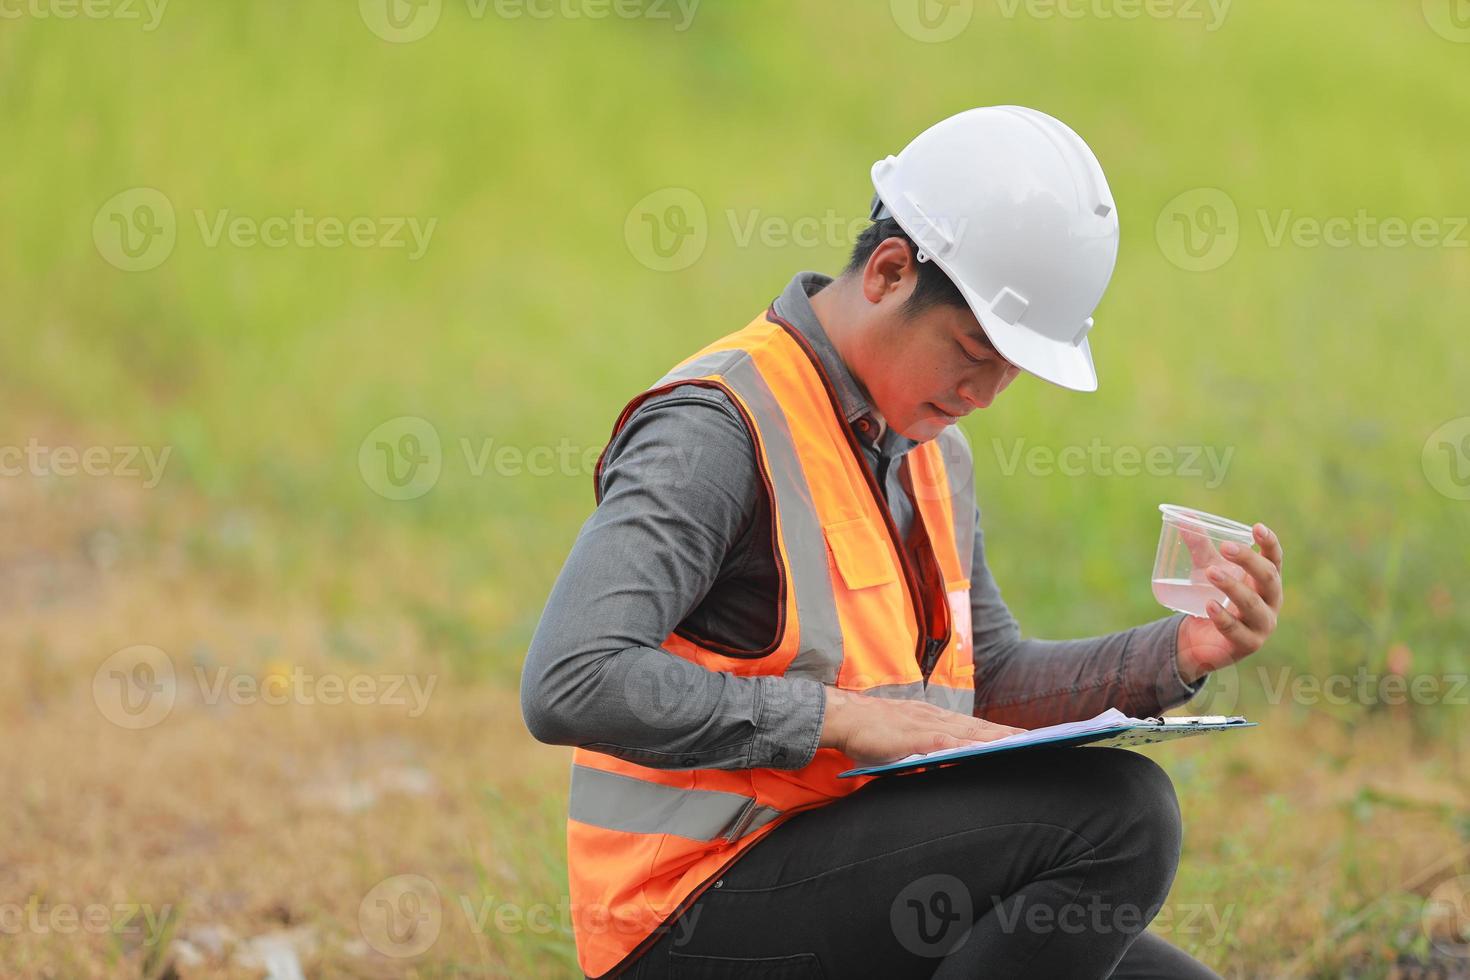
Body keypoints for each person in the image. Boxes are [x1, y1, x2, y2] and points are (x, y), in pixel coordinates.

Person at [521, 106, 1284, 978]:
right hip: (684, 919)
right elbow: (570, 678)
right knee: (1126, 813)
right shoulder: (717, 428)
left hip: (855, 878)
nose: (986, 392)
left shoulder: (927, 453)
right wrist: (845, 720)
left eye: (1012, 371)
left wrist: (1180, 652)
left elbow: (984, 686)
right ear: (888, 272)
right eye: (973, 350)